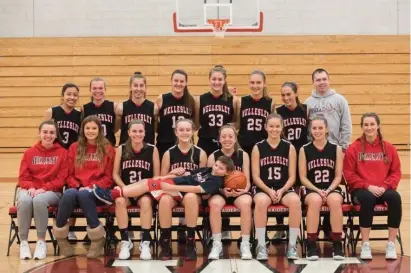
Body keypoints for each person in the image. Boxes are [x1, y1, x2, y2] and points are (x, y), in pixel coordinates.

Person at [93, 156, 235, 260]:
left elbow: (196, 188)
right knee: (147, 182)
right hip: (175, 183)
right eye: (216, 165)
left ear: (227, 173)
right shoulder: (208, 170)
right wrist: (177, 173)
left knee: (146, 184)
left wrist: (173, 186)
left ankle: (111, 194)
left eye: (220, 168)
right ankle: (113, 193)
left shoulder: (216, 181)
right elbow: (190, 175)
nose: (216, 168)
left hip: (179, 190)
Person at [52, 116, 115, 258]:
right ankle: (61, 239)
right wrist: (78, 186)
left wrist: (92, 187)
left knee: (84, 195)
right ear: (83, 130)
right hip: (79, 189)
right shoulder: (75, 147)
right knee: (68, 194)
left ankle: (97, 239)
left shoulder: (107, 148)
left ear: (99, 130)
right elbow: (69, 175)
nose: (90, 131)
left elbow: (109, 177)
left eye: (94, 128)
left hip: (99, 192)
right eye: (87, 128)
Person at [343, 112, 402, 260]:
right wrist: (367, 186)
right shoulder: (353, 148)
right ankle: (365, 244)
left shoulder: (389, 148)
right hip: (361, 190)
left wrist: (385, 186)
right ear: (362, 127)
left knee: (395, 198)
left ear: (378, 126)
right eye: (366, 125)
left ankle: (391, 244)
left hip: (383, 188)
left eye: (372, 124)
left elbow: (396, 172)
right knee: (368, 199)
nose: (369, 128)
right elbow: (349, 174)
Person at [305, 68, 352, 239]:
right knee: (318, 190)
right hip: (316, 151)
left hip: (335, 151)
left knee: (331, 189)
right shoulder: (308, 103)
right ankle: (315, 229)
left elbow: (346, 125)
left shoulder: (340, 100)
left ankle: (330, 228)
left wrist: (343, 147)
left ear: (329, 80)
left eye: (324, 78)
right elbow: (307, 130)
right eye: (318, 80)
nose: (322, 82)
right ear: (313, 82)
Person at [252, 113, 301, 260]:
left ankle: (292, 245)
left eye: (277, 126)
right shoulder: (258, 147)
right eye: (271, 126)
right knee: (260, 202)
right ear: (266, 127)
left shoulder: (289, 147)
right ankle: (261, 244)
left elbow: (292, 176)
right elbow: (255, 176)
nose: (274, 129)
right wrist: (268, 190)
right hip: (264, 188)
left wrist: (282, 190)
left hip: (283, 188)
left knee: (296, 202)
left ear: (282, 127)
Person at [18, 120, 68, 260]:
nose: (48, 135)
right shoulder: (29, 153)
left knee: (39, 200)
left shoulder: (63, 153)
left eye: (51, 132)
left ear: (56, 135)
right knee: (24, 200)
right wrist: (31, 187)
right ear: (39, 133)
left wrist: (44, 188)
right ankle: (24, 243)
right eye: (45, 132)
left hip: (53, 191)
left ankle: (41, 242)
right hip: (31, 189)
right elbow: (23, 177)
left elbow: (62, 179)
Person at [113, 119, 160, 260]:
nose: (137, 134)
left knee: (146, 202)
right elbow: (115, 174)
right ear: (128, 132)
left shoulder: (152, 149)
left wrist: (141, 189)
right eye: (134, 131)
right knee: (120, 201)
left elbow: (156, 176)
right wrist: (124, 188)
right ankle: (125, 240)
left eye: (140, 131)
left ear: (145, 133)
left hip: (144, 191)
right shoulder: (121, 148)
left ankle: (145, 241)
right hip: (126, 190)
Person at [299, 115, 344, 261]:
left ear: (326, 129)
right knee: (315, 201)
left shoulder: (336, 149)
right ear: (310, 130)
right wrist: (318, 190)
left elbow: (338, 176)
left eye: (320, 128)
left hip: (330, 187)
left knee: (336, 201)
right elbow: (303, 177)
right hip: (312, 188)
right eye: (314, 128)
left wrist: (329, 190)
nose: (317, 131)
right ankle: (311, 244)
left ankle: (337, 244)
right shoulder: (304, 149)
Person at [207, 125, 252, 260]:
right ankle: (216, 243)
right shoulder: (213, 156)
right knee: (214, 204)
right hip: (219, 191)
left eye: (230, 136)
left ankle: (245, 243)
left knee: (246, 202)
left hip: (239, 192)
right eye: (224, 136)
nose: (227, 139)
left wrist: (244, 190)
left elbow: (248, 180)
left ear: (235, 138)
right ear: (219, 139)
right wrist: (221, 190)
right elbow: (208, 182)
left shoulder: (243, 155)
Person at [159, 119, 207, 245]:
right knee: (164, 200)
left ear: (193, 132)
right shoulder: (168, 153)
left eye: (188, 130)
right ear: (176, 132)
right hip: (174, 192)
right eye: (181, 130)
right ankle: (165, 241)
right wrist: (171, 173)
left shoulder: (200, 153)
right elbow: (161, 180)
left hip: (192, 192)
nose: (185, 133)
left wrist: (189, 175)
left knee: (190, 197)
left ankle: (191, 241)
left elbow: (204, 180)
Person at [44, 83, 81, 242]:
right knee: (57, 191)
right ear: (62, 96)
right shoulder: (52, 112)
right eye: (69, 94)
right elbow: (44, 134)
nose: (72, 97)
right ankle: (58, 228)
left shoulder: (80, 114)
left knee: (71, 192)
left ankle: (71, 228)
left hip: (72, 157)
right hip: (56, 157)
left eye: (75, 95)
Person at [274, 82, 309, 240]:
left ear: (296, 93)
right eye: (283, 95)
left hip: (301, 153)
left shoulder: (306, 110)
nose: (286, 98)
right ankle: (280, 227)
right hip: (284, 154)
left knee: (296, 192)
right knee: (280, 187)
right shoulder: (278, 111)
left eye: (289, 94)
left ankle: (294, 227)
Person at [196, 65, 238, 156]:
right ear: (209, 80)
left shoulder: (233, 100)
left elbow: (236, 123)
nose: (216, 82)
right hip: (205, 142)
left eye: (220, 79)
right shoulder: (200, 100)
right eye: (214, 79)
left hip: (225, 143)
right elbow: (196, 123)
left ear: (224, 80)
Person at [155, 69, 195, 159]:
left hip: (185, 143)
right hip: (165, 142)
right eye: (176, 81)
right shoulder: (161, 98)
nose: (178, 84)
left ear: (186, 83)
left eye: (182, 81)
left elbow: (195, 122)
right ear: (171, 81)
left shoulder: (191, 100)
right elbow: (155, 122)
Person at [237, 70, 275, 156]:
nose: (255, 86)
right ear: (249, 84)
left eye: (258, 82)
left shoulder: (270, 103)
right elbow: (237, 125)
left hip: (262, 148)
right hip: (243, 147)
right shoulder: (241, 101)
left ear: (264, 84)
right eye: (252, 82)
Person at [117, 72, 158, 145]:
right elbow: (117, 128)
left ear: (145, 87)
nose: (138, 89)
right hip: (126, 151)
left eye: (141, 85)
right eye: (135, 85)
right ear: (130, 87)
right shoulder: (121, 108)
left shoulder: (154, 108)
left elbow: (155, 129)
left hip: (147, 151)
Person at [82, 77, 117, 146]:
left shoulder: (114, 106)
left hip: (109, 145)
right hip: (91, 147)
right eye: (94, 88)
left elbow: (116, 127)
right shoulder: (84, 108)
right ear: (90, 90)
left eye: (100, 88)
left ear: (105, 89)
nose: (97, 91)